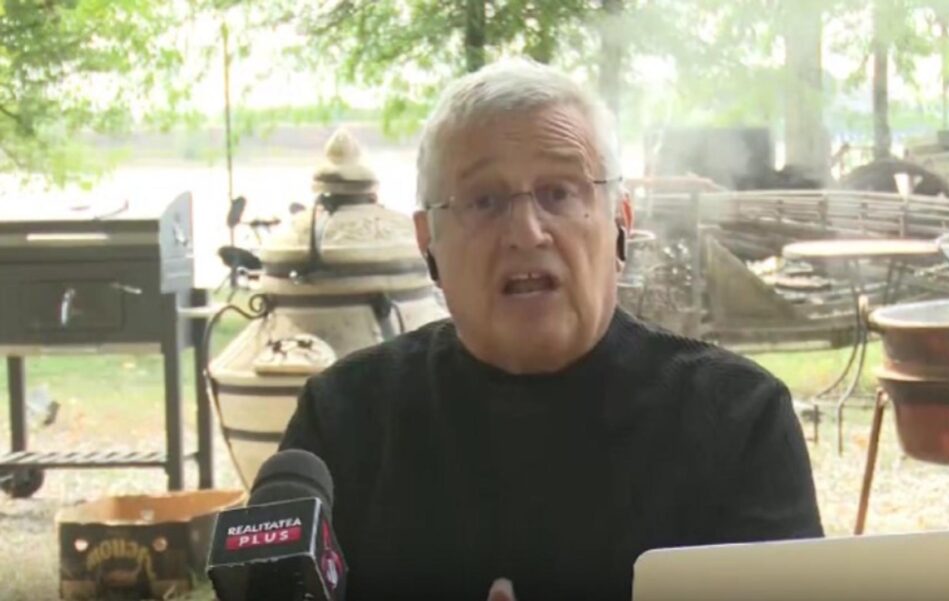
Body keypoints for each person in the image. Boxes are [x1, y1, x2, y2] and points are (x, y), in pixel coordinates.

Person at [280, 59, 823, 601]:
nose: (527, 232)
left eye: (560, 193)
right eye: (485, 201)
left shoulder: (739, 419)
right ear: (428, 243)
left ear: (620, 224)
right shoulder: (344, 421)